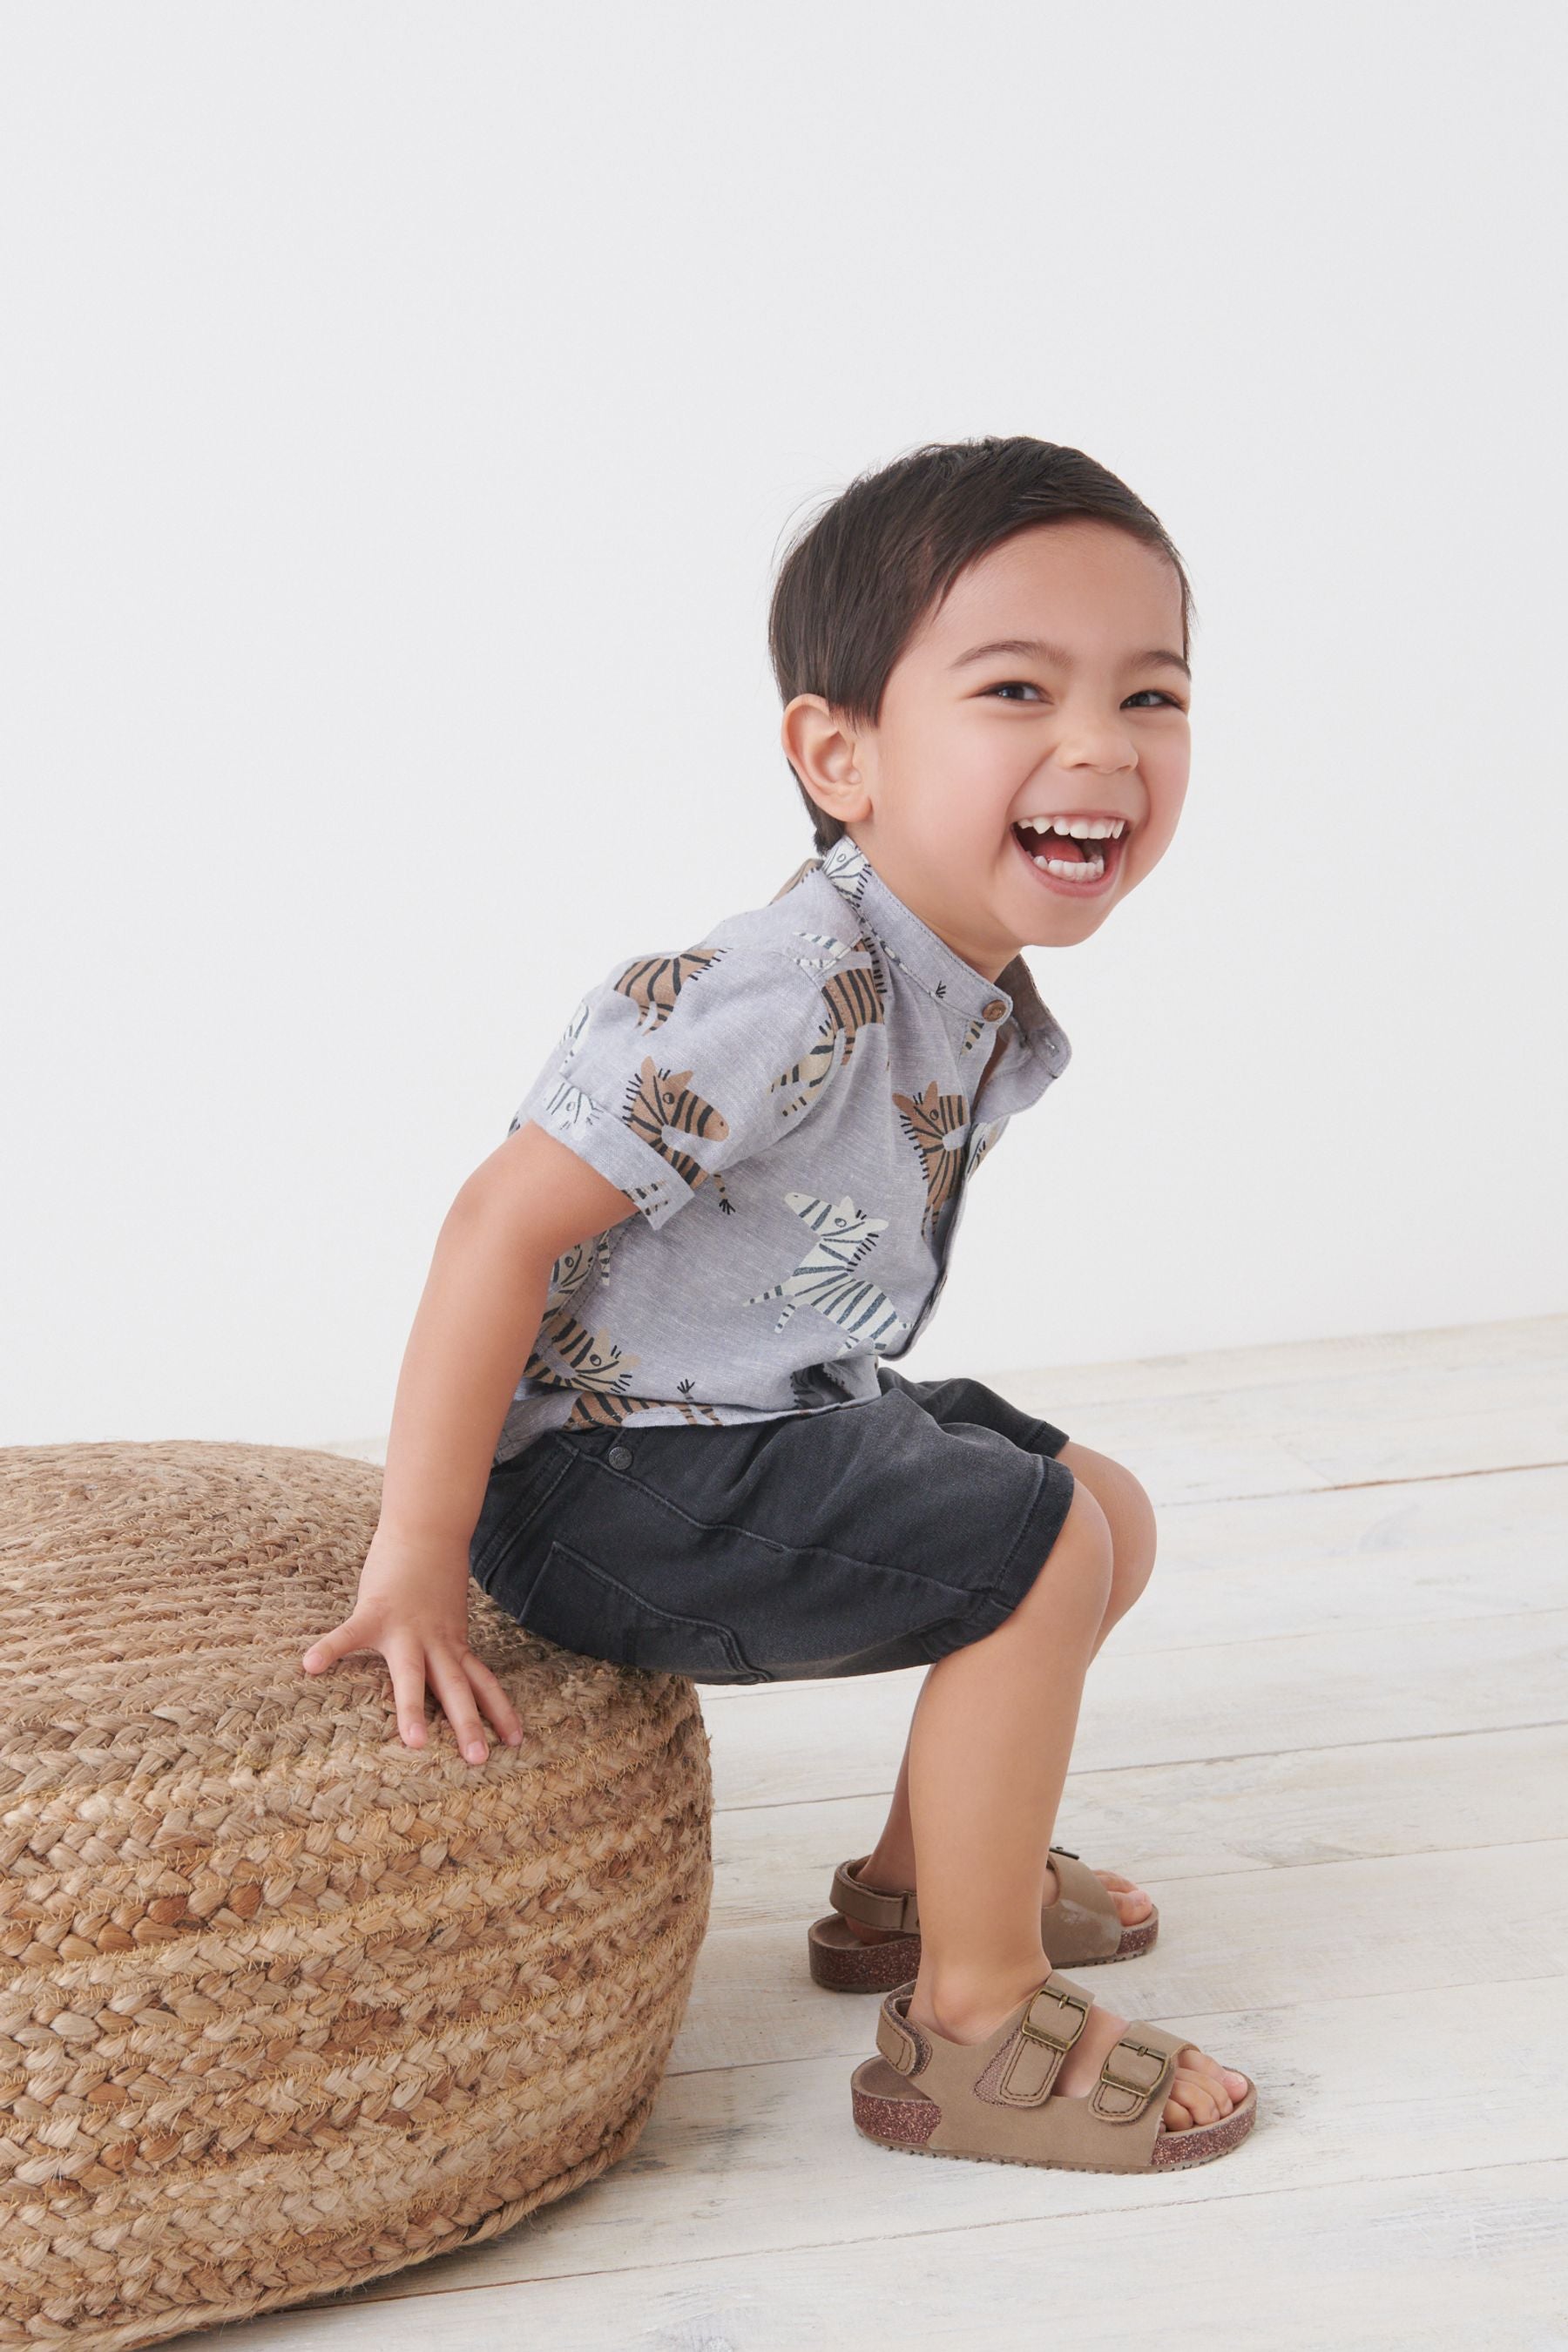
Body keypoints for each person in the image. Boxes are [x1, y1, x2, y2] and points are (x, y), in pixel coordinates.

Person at [301, 435, 1257, 2173]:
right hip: (605, 1486)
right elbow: (493, 1227)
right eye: (1018, 688)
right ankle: (968, 2024)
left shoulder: (946, 977)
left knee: (1099, 1509)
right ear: (841, 755)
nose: (1103, 747)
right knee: (1036, 1543)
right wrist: (419, 1555)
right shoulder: (785, 983)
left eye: (1153, 694)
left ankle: (914, 1888)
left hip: (754, 1412)